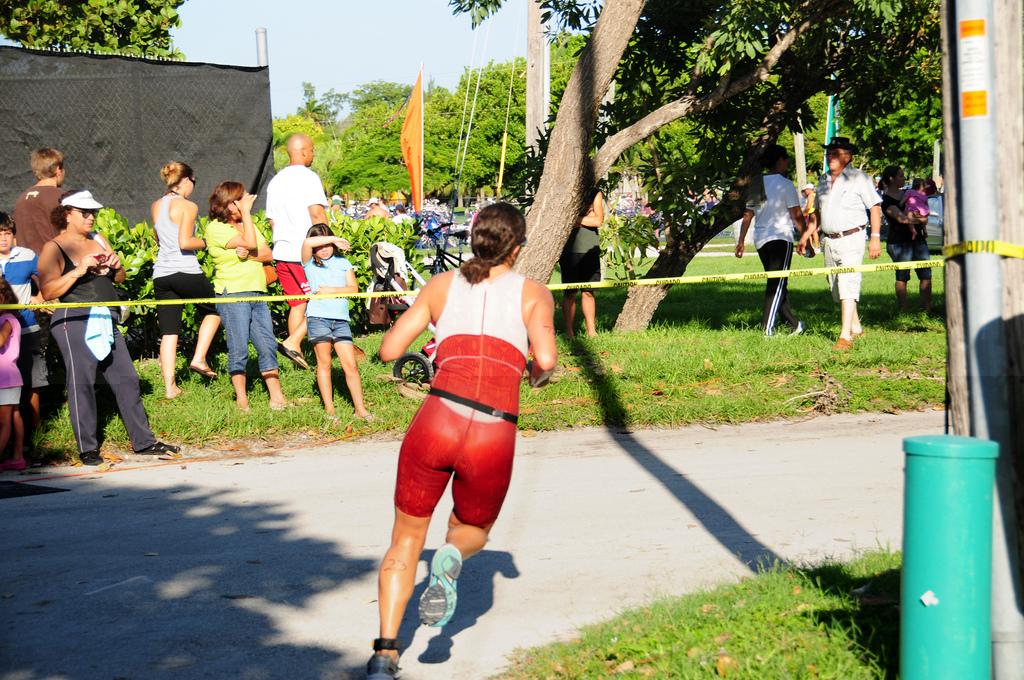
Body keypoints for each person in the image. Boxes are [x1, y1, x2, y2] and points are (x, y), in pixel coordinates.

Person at [367, 203, 557, 680]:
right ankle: (452, 556)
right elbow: (547, 360)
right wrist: (533, 375)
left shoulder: (441, 285)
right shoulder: (534, 293)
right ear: (518, 247)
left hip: (437, 419)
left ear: (473, 240)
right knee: (471, 529)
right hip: (493, 428)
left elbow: (390, 350)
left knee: (405, 538)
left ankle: (385, 654)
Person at [38, 190, 179, 465]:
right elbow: (47, 291)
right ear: (67, 214)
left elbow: (120, 277)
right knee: (82, 383)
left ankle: (144, 442)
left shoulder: (99, 239)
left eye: (93, 212)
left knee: (127, 378)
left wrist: (116, 266)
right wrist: (78, 270)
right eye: (84, 212)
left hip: (105, 318)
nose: (90, 217)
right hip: (73, 320)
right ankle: (88, 448)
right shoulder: (54, 247)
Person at [205, 181, 289, 412]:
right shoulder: (215, 228)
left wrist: (248, 254)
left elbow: (267, 254)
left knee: (267, 344)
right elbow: (253, 243)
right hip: (233, 293)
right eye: (240, 199)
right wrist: (247, 217)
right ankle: (242, 401)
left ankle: (277, 397)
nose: (246, 202)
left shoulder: (245, 224)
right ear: (228, 203)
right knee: (239, 346)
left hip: (258, 291)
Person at [796, 137, 882, 350]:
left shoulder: (859, 177)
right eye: (829, 153)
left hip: (852, 238)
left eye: (835, 153)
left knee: (847, 286)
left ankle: (845, 337)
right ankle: (857, 329)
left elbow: (875, 208)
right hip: (828, 240)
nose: (830, 157)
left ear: (847, 157)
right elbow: (816, 213)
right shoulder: (823, 179)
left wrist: (875, 238)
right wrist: (805, 236)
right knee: (836, 290)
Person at [150, 162, 222, 398]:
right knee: (215, 309)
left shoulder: (156, 205)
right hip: (185, 270)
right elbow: (185, 242)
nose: (193, 187)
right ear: (186, 181)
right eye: (194, 182)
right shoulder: (188, 206)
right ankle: (199, 358)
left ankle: (170, 388)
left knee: (169, 332)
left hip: (161, 274)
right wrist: (209, 242)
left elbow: (159, 240)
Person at [265, 133, 329, 371]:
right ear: (302, 151)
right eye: (311, 150)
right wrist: (328, 243)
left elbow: (272, 221)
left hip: (281, 252)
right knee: (322, 299)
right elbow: (317, 214)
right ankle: (293, 342)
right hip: (303, 252)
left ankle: (297, 355)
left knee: (297, 304)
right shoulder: (308, 177)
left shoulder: (275, 181)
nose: (313, 154)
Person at [734, 145, 807, 336]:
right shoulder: (785, 184)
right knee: (776, 284)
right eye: (787, 158)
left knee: (779, 283)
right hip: (780, 238)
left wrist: (741, 241)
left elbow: (748, 214)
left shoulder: (757, 182)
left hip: (761, 240)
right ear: (780, 160)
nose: (788, 161)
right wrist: (806, 238)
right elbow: (797, 215)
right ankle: (766, 329)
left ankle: (792, 325)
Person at [300, 225, 370, 422]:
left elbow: (353, 289)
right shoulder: (309, 264)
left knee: (351, 365)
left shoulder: (343, 263)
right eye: (320, 245)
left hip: (341, 321)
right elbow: (307, 243)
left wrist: (331, 290)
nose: (324, 249)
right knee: (325, 363)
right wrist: (333, 238)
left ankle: (360, 409)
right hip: (318, 318)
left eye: (328, 245)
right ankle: (330, 411)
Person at [0, 213, 46, 439]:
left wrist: (41, 296)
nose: (3, 238)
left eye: (7, 233)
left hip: (26, 329)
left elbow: (47, 276)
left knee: (31, 381)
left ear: (13, 236)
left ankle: (35, 435)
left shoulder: (27, 255)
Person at [878, 166, 932, 313]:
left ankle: (928, 310)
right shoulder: (887, 201)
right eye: (901, 176)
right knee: (903, 276)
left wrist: (919, 218)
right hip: (899, 242)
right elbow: (902, 219)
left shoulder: (909, 194)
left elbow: (925, 216)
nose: (904, 178)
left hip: (918, 239)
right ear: (892, 179)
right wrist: (920, 219)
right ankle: (904, 311)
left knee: (926, 275)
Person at [559, 188, 603, 338]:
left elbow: (598, 221)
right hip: (568, 251)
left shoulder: (595, 192)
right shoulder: (566, 190)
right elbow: (562, 221)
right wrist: (586, 218)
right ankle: (569, 333)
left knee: (588, 292)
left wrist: (574, 219)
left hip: (590, 250)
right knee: (569, 293)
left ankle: (592, 332)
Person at [13, 148, 65, 256]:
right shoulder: (62, 198)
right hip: (54, 263)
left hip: (26, 263)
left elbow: (15, 239)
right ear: (58, 170)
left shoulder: (21, 199)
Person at [0, 279, 25, 472]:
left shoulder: (8, 319)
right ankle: (17, 457)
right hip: (8, 377)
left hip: (5, 377)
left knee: (4, 422)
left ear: (4, 298)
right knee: (14, 416)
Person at [801, 184, 819, 253]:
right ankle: (815, 246)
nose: (805, 191)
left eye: (806, 190)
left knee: (812, 231)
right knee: (813, 231)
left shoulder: (810, 196)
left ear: (808, 189)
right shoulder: (816, 195)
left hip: (811, 214)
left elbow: (809, 207)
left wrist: (804, 211)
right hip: (815, 213)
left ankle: (815, 247)